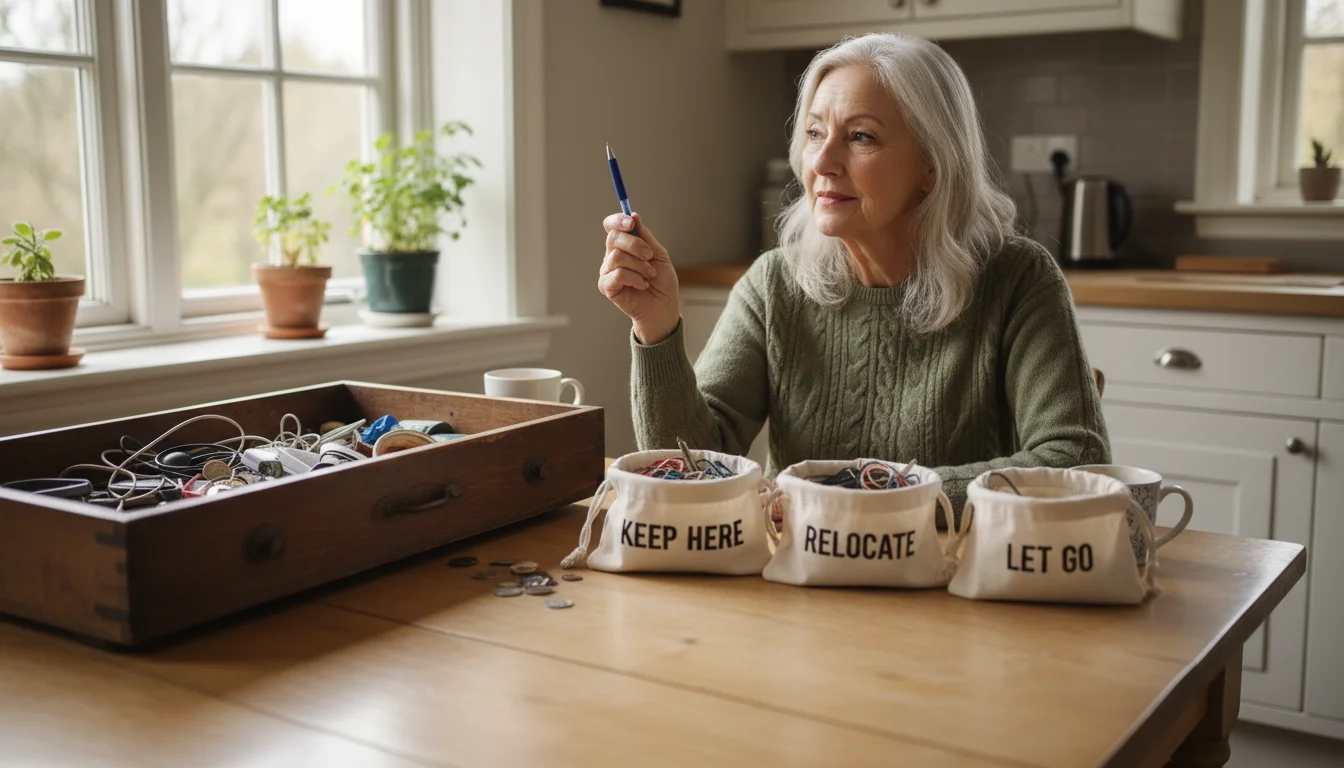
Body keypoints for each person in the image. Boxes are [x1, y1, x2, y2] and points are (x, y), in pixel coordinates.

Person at [596, 32, 1109, 514]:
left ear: (933, 164)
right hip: (800, 578)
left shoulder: (1018, 279)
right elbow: (689, 463)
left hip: (952, 581)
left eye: (860, 136)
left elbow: (1074, 459)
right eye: (815, 132)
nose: (821, 160)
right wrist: (656, 326)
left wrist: (862, 497)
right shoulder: (774, 284)